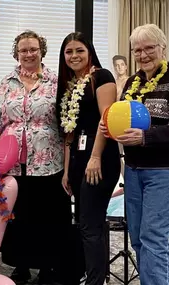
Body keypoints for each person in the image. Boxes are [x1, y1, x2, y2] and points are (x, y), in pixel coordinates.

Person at [0, 30, 71, 284]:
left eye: (33, 49)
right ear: (17, 53)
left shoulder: (56, 82)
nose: (28, 54)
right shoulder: (6, 83)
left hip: (48, 162)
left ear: (41, 50)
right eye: (23, 50)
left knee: (48, 216)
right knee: (18, 216)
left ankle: (48, 265)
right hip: (13, 165)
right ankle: (21, 264)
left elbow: (68, 125)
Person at [100, 24, 169, 285]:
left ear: (162, 47)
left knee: (154, 237)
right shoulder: (132, 82)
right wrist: (109, 127)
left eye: (149, 47)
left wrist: (146, 137)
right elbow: (124, 118)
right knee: (138, 236)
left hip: (162, 171)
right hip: (132, 169)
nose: (143, 54)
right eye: (137, 50)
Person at [56, 32, 120, 285]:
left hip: (100, 154)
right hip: (79, 156)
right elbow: (69, 134)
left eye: (79, 50)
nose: (74, 56)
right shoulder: (71, 83)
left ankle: (95, 281)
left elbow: (108, 120)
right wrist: (66, 170)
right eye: (69, 52)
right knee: (86, 222)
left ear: (90, 52)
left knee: (90, 224)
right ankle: (94, 274)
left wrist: (95, 158)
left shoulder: (102, 77)